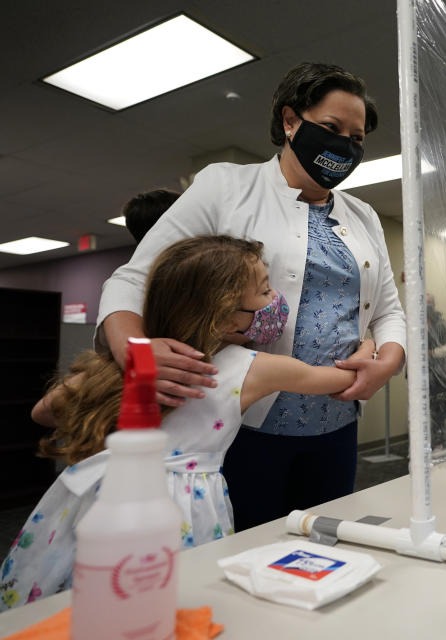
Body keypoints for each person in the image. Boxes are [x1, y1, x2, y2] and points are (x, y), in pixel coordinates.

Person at [95, 62, 406, 531]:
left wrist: (389, 361)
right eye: (331, 128)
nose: (345, 144)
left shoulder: (363, 216)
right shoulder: (227, 187)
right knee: (243, 550)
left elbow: (388, 309)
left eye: (358, 138)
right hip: (242, 425)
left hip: (337, 423)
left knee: (323, 548)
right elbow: (132, 279)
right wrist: (135, 352)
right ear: (289, 121)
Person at [0, 235, 374, 611]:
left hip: (105, 496)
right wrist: (371, 343)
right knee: (167, 598)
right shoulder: (251, 368)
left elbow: (44, 411)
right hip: (184, 508)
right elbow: (345, 380)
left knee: (91, 593)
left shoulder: (131, 360)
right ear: (225, 313)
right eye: (264, 291)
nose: (276, 297)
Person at [425, 293, 446, 445]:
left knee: (439, 410)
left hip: (440, 376)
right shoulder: (412, 324)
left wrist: (431, 353)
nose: (427, 305)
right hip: (419, 376)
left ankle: (439, 442)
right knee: (422, 412)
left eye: (430, 302)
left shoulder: (443, 325)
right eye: (425, 302)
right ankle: (423, 444)